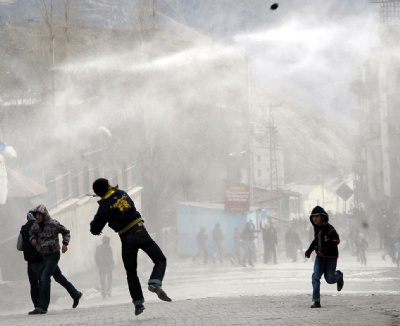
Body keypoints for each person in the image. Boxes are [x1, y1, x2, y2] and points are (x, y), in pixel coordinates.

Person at [90, 178, 171, 316]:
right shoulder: (122, 193)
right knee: (159, 259)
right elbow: (131, 207)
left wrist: (97, 228)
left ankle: (138, 303)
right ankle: (155, 282)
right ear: (109, 186)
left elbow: (95, 227)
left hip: (126, 238)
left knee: (131, 272)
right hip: (140, 230)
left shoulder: (104, 206)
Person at [28, 204, 83, 315]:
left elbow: (66, 232)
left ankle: (42, 306)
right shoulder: (35, 225)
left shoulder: (53, 224)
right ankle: (75, 294)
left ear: (44, 215)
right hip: (44, 255)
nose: (38, 217)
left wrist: (65, 243)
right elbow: (31, 233)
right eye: (36, 215)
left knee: (44, 278)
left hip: (53, 254)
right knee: (58, 277)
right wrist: (33, 239)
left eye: (40, 215)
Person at [305, 206, 344, 308]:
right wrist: (309, 251)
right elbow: (315, 241)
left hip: (331, 258)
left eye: (317, 216)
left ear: (322, 217)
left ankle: (339, 276)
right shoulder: (317, 229)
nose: (315, 219)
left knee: (330, 279)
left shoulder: (329, 228)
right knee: (315, 277)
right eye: (313, 217)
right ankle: (316, 301)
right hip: (319, 258)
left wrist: (324, 250)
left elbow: (336, 241)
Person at [17, 210, 43, 311]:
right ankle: (43, 305)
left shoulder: (23, 229)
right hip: (42, 259)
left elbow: (19, 247)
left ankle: (36, 305)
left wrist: (27, 247)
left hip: (31, 261)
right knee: (43, 282)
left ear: (28, 218)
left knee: (34, 284)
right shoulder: (41, 226)